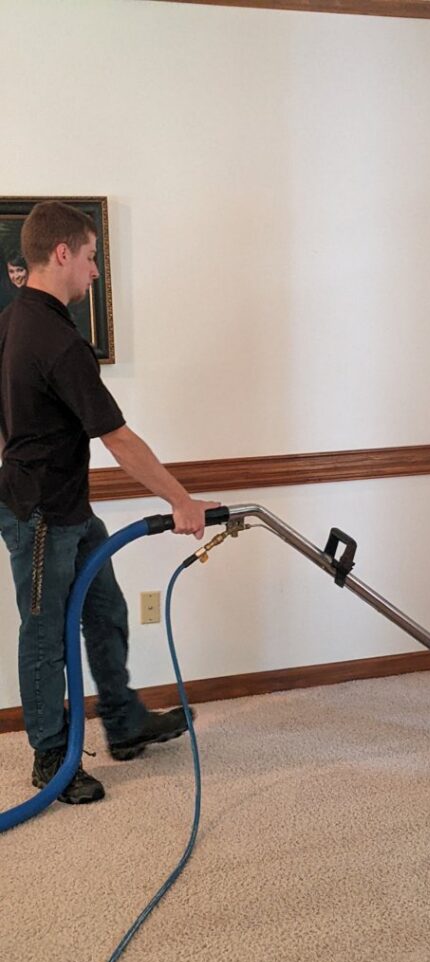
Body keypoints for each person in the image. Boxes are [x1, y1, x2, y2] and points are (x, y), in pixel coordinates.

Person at [0, 201, 220, 805]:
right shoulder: (56, 340)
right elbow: (118, 438)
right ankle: (51, 756)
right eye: (92, 256)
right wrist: (182, 500)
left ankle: (123, 722)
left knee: (107, 613)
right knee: (45, 636)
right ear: (63, 254)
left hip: (66, 505)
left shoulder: (15, 320)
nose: (96, 270)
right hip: (42, 515)